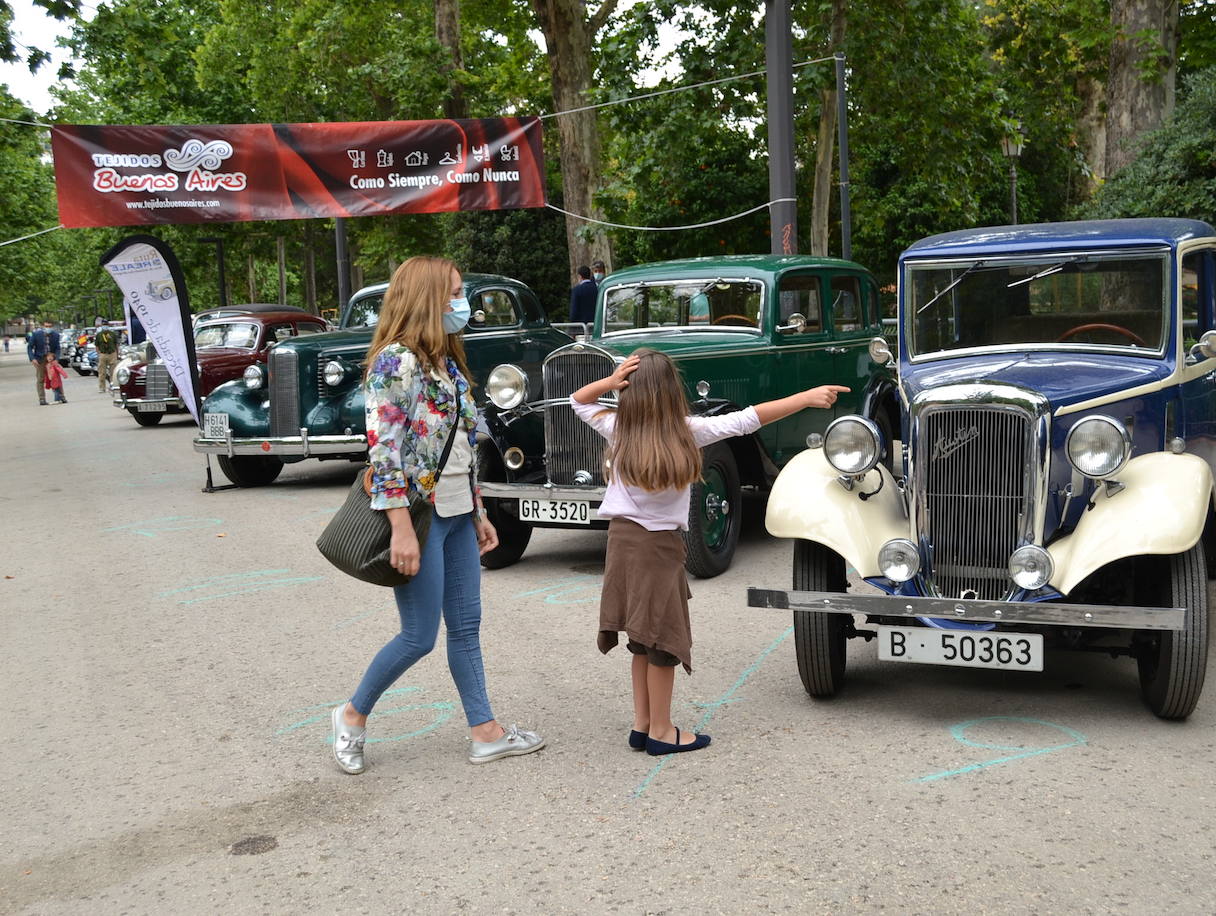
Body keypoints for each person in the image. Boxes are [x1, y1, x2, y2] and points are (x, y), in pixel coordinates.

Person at [571, 349, 848, 756]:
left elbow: (578, 400)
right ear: (670, 390)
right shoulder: (687, 430)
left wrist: (610, 384)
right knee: (662, 639)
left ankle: (642, 724)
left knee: (640, 637)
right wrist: (805, 397)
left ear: (629, 389)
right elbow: (749, 419)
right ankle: (662, 732)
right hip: (658, 547)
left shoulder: (617, 426)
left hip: (621, 542)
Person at [330, 255, 544, 775]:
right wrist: (401, 528)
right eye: (452, 293)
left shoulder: (444, 363)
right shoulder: (393, 362)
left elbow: (460, 446)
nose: (461, 302)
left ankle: (486, 732)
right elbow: (383, 452)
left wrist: (478, 512)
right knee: (419, 636)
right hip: (419, 519)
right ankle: (351, 716)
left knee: (466, 627)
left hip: (454, 512)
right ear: (427, 298)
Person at [26, 320, 60, 405]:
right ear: (43, 326)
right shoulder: (36, 334)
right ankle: (42, 399)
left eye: (50, 326)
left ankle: (60, 397)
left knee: (55, 377)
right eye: (46, 326)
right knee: (40, 379)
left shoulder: (56, 335)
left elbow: (57, 348)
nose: (48, 328)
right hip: (40, 359)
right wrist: (32, 358)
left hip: (51, 359)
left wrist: (56, 358)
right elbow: (30, 347)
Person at [93, 318, 121, 394]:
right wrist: (99, 354)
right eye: (104, 325)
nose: (105, 326)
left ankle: (113, 386)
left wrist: (117, 354)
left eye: (106, 325)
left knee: (113, 372)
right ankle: (102, 388)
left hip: (112, 354)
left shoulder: (112, 334)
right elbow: (97, 345)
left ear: (108, 325)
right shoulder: (99, 335)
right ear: (102, 325)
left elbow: (116, 345)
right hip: (103, 354)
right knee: (102, 372)